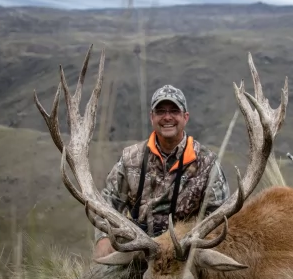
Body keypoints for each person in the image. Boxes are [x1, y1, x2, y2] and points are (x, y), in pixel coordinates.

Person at [93, 85, 231, 259]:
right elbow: (108, 203)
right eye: (160, 111)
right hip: (137, 252)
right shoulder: (131, 159)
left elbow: (219, 217)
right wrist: (103, 238)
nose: (167, 117)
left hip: (184, 256)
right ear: (152, 117)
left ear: (185, 117)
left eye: (174, 111)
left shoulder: (207, 163)